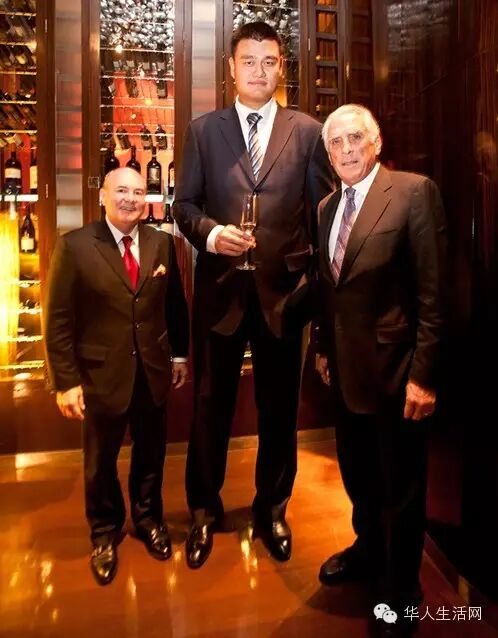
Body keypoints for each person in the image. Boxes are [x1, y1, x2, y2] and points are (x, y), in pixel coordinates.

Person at [174, 21, 334, 569]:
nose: (259, 71)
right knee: (209, 405)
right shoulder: (203, 131)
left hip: (284, 295)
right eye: (249, 61)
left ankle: (273, 508)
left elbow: (319, 217)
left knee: (279, 408)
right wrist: (211, 235)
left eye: (269, 61)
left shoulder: (308, 133)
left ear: (281, 67)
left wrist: (317, 292)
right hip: (220, 290)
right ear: (232, 68)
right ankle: (204, 509)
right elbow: (183, 207)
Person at [314, 103, 446, 629]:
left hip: (397, 375)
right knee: (359, 478)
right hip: (346, 375)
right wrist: (321, 347)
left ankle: (403, 590)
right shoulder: (326, 207)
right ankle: (368, 551)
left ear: (377, 142)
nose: (347, 149)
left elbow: (434, 294)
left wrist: (424, 377)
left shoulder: (413, 193)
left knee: (402, 491)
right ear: (328, 154)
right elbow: (329, 288)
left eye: (356, 138)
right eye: (336, 143)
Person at [44, 167, 189, 585]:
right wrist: (66, 381)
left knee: (151, 455)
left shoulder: (162, 244)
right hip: (99, 375)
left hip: (152, 371)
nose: (131, 199)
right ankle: (104, 532)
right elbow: (58, 320)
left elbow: (174, 305)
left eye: (139, 192)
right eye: (121, 190)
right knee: (100, 461)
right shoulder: (75, 246)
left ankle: (148, 519)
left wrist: (179, 355)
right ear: (102, 196)